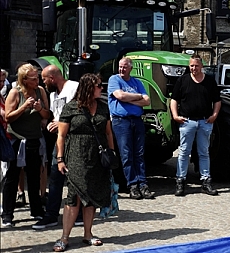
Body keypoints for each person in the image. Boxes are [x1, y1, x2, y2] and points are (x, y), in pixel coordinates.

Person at [53, 73, 113, 252]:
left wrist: (111, 155)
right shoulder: (71, 107)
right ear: (88, 88)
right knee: (74, 195)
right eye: (98, 86)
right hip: (76, 155)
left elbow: (108, 132)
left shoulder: (103, 107)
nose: (101, 88)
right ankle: (64, 237)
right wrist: (60, 159)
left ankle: (88, 234)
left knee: (91, 196)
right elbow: (61, 136)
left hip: (97, 156)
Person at [32, 66, 81, 229]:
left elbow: (81, 114)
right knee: (55, 177)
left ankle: (78, 213)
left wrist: (59, 124)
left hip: (75, 140)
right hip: (60, 140)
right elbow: (55, 115)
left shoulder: (74, 87)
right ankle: (52, 215)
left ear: (52, 78)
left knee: (75, 178)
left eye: (44, 79)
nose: (43, 83)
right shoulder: (53, 94)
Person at [1, 64, 49, 227]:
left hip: (34, 139)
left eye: (38, 77)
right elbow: (8, 117)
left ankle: (36, 210)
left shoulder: (41, 92)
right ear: (24, 80)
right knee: (12, 178)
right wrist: (23, 107)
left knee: (34, 177)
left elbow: (47, 114)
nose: (37, 81)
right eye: (34, 78)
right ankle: (8, 214)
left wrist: (39, 108)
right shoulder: (15, 93)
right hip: (17, 140)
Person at [170, 54, 220, 196]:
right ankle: (180, 181)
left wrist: (215, 115)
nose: (194, 68)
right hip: (187, 121)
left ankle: (206, 182)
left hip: (205, 121)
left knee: (204, 152)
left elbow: (217, 100)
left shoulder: (210, 82)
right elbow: (174, 99)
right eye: (191, 66)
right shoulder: (182, 81)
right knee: (184, 152)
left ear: (201, 66)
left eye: (196, 66)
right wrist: (175, 115)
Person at [108, 57, 154, 200]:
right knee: (126, 154)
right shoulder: (114, 80)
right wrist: (138, 97)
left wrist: (131, 98)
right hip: (121, 122)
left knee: (139, 154)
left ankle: (143, 184)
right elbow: (120, 95)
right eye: (120, 67)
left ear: (130, 68)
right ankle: (132, 185)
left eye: (124, 67)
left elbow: (147, 101)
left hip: (137, 120)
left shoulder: (136, 82)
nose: (122, 69)